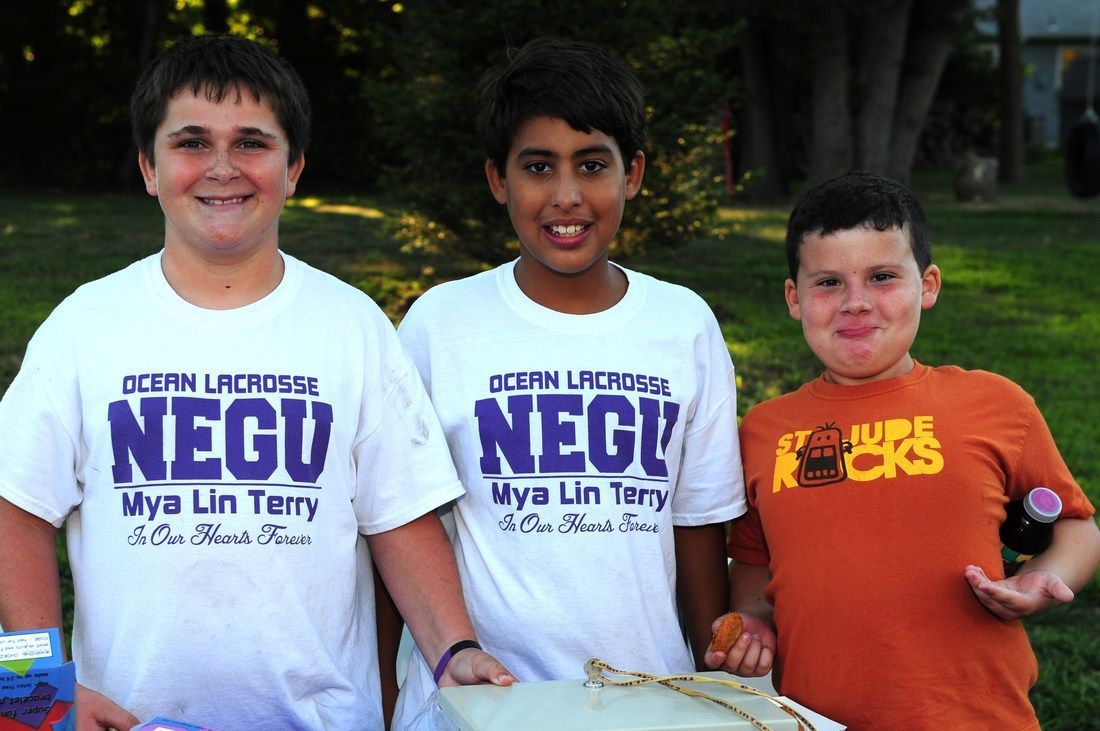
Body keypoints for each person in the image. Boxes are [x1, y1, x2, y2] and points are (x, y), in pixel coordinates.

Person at [0, 34, 513, 731]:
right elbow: (16, 507)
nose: (220, 168)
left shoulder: (350, 325)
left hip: (322, 718)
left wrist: (454, 649)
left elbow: (401, 513)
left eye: (251, 142)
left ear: (294, 167)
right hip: (129, 718)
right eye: (190, 143)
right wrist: (41, 685)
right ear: (148, 166)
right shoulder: (86, 327)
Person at [389, 36, 746, 728]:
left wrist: (715, 686)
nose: (566, 196)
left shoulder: (683, 323)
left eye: (592, 165)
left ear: (633, 173)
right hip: (481, 707)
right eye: (537, 167)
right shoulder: (442, 324)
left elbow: (699, 525)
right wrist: (379, 700)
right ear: (498, 179)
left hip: (651, 702)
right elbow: (398, 528)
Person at [708, 171, 1100, 730]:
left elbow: (1078, 526)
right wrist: (751, 620)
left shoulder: (993, 403)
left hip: (977, 717)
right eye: (828, 283)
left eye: (883, 276)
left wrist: (1043, 579)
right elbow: (752, 561)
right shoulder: (765, 430)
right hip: (819, 719)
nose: (856, 303)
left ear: (929, 285)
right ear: (794, 298)